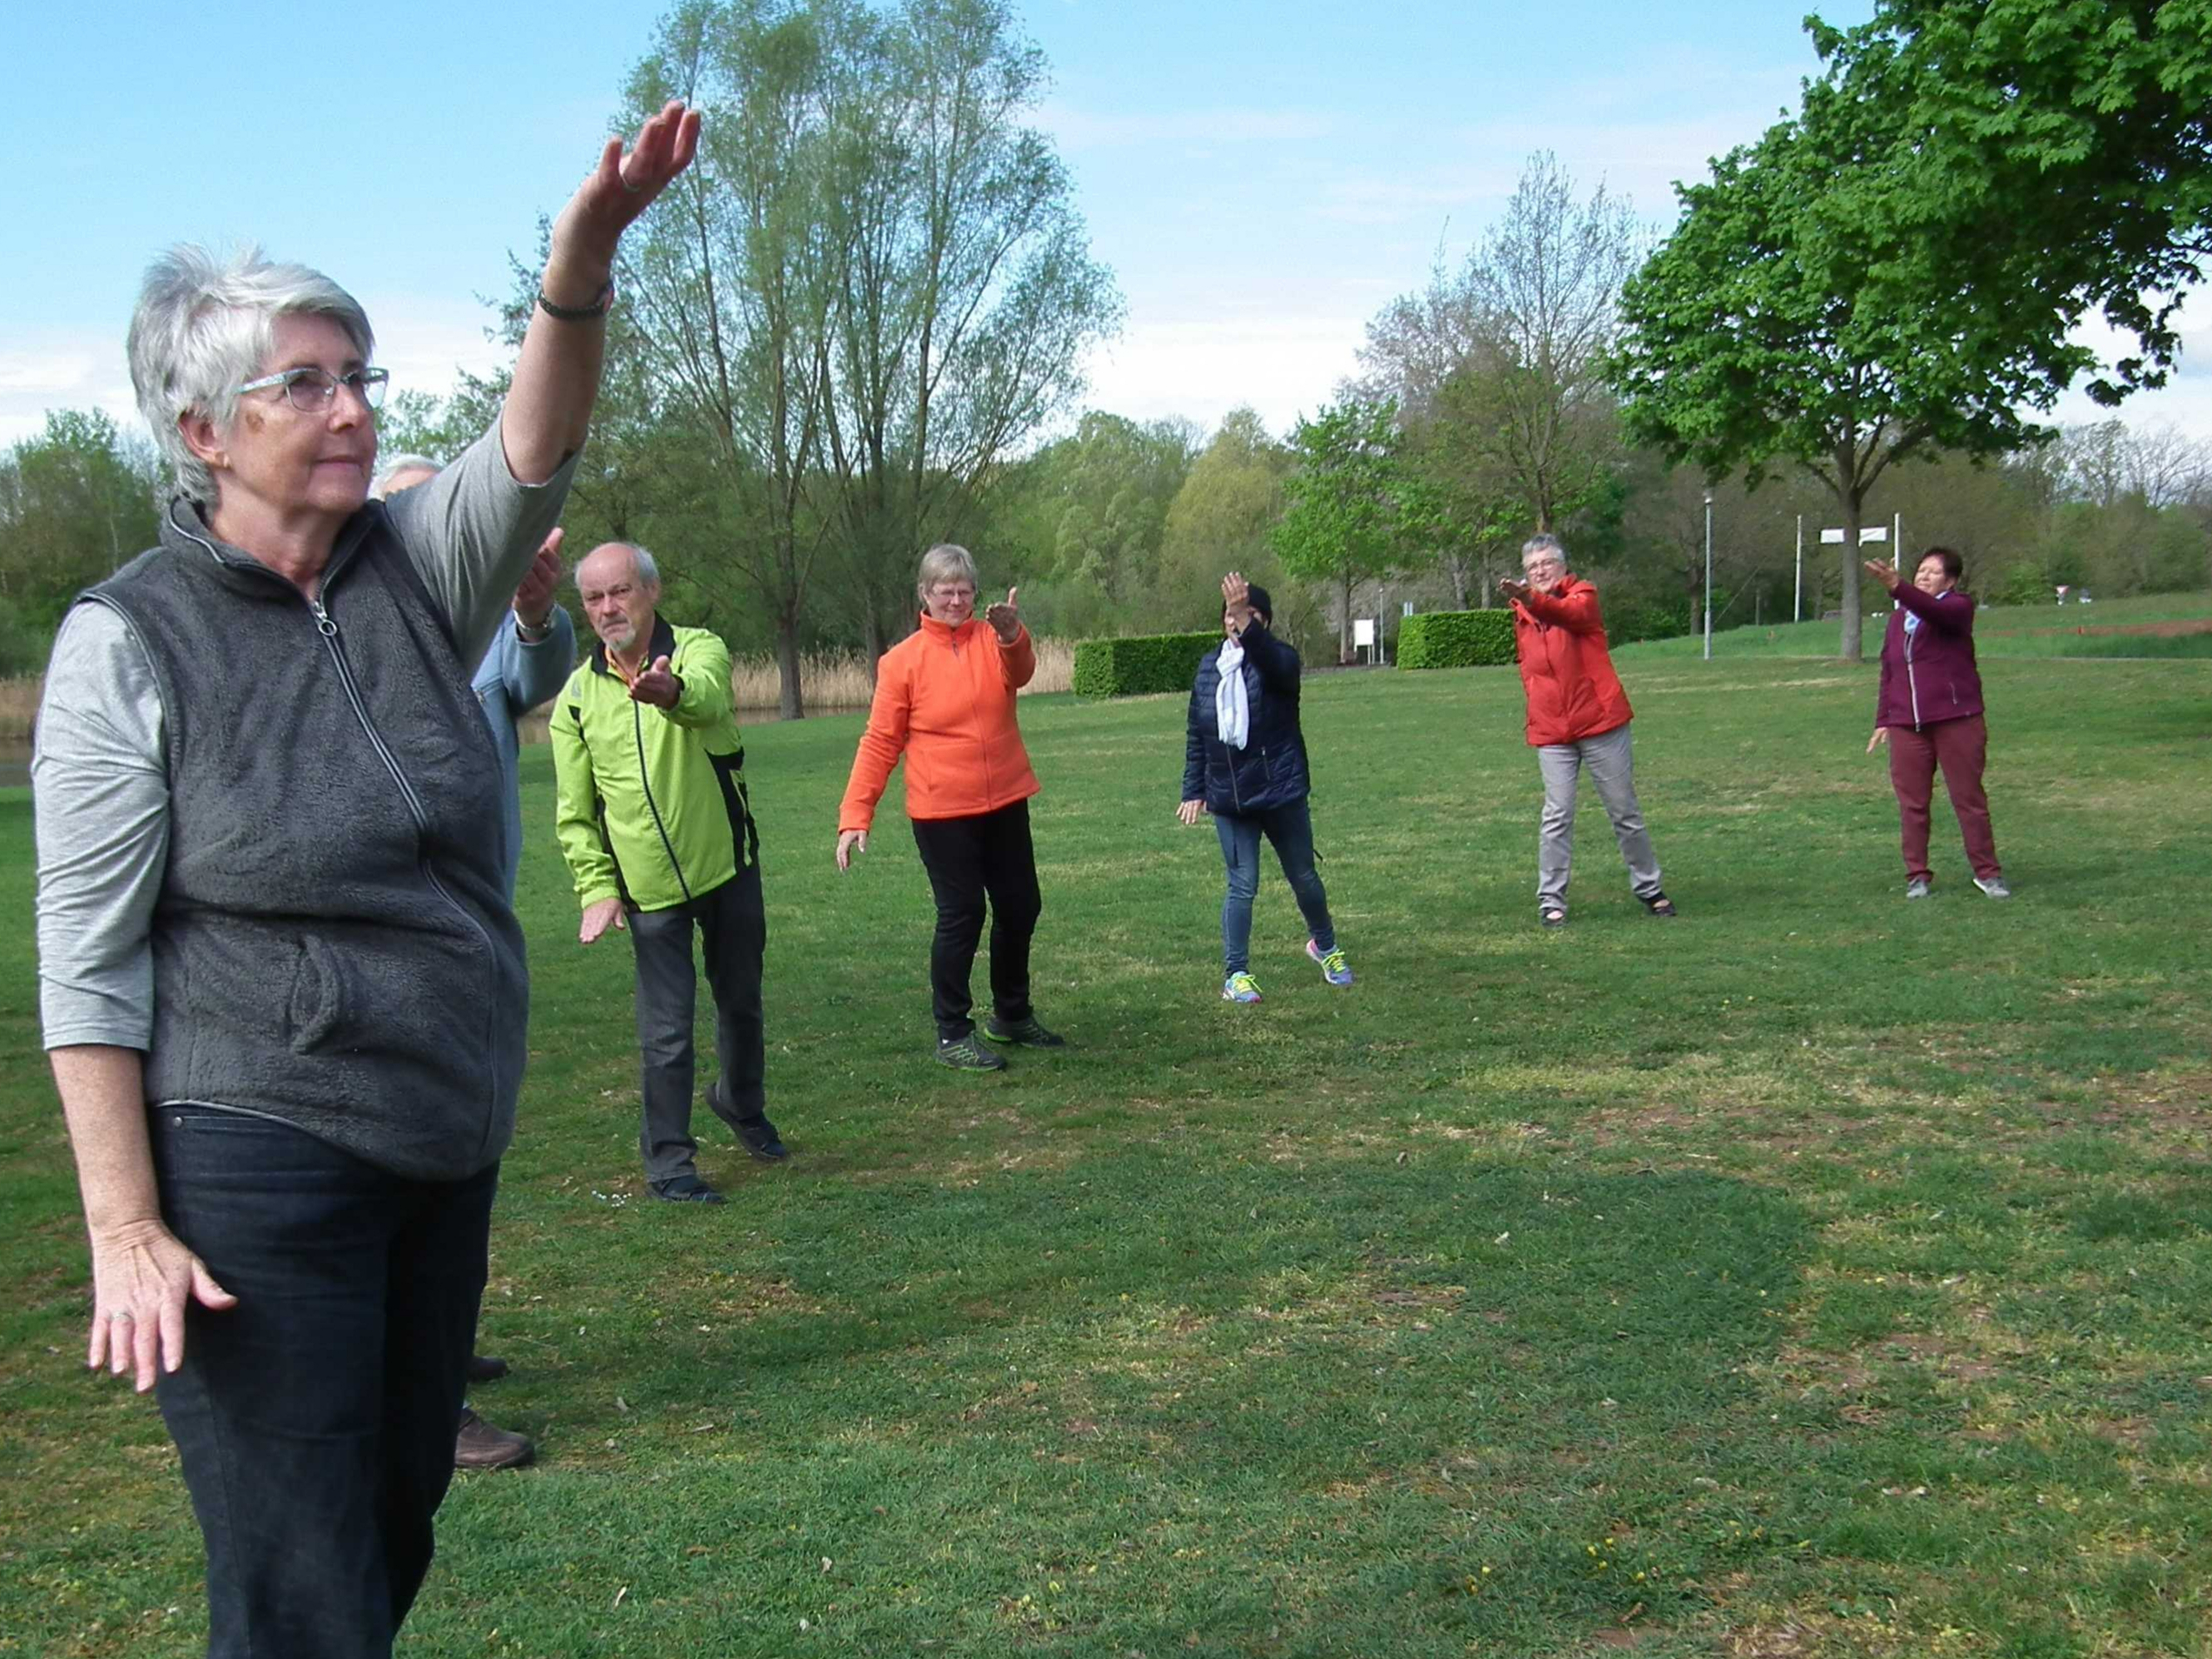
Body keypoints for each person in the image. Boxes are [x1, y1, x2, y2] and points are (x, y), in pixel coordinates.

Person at [31, 102, 698, 1659]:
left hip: (436, 1140)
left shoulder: (418, 564)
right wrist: (123, 1223)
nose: (348, 409)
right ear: (203, 433)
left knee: (387, 1525)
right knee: (305, 1577)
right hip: (252, 1147)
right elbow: (89, 959)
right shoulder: (128, 641)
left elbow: (536, 440)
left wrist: (582, 251)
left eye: (359, 378)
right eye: (305, 384)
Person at [373, 456, 574, 1469]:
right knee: (416, 1154)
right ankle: (430, 1400)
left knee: (466, 1148)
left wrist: (536, 613)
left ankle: (440, 1342)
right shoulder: (360, 629)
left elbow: (539, 683)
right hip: (392, 938)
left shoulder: (483, 618)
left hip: (474, 923)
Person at [549, 540, 786, 1204]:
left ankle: (740, 1103)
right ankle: (670, 1164)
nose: (606, 608)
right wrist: (597, 887)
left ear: (650, 591)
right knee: (665, 1032)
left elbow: (708, 701)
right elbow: (575, 814)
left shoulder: (698, 648)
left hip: (727, 867)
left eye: (618, 591)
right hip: (649, 891)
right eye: (593, 597)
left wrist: (670, 692)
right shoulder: (575, 699)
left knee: (740, 1003)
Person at [836, 544, 1063, 1070]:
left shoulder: (992, 639)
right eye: (946, 591)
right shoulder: (902, 662)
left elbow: (1022, 672)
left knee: (1020, 905)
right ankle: (952, 1032)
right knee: (962, 914)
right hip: (942, 812)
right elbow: (879, 742)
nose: (956, 600)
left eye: (964, 591)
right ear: (925, 594)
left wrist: (1012, 634)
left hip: (1004, 797)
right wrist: (856, 814)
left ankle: (1011, 1015)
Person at [1178, 572, 1353, 1003]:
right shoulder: (1208, 669)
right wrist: (1193, 789)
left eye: (1248, 615)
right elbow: (1198, 733)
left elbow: (1277, 665)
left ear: (1265, 622)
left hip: (1281, 791)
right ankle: (1236, 975)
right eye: (1231, 615)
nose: (1236, 622)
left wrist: (1248, 625)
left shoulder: (1279, 662)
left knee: (1304, 878)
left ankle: (1325, 947)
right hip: (1232, 799)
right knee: (1242, 885)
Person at [1500, 532, 1676, 928]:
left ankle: (1650, 889)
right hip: (1552, 731)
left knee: (1624, 811)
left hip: (1600, 723)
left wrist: (1532, 599)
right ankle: (1551, 900)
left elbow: (1569, 616)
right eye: (1532, 567)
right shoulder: (1522, 614)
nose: (1540, 571)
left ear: (1562, 566)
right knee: (1556, 814)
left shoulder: (1582, 596)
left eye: (1546, 564)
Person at [1865, 547, 2008, 899]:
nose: (1924, 576)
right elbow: (1890, 672)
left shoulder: (1957, 608)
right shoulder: (1899, 620)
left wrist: (1897, 586)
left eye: (1933, 572)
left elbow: (1934, 611)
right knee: (1913, 804)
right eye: (1920, 570)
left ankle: (1987, 874)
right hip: (1906, 726)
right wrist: (1884, 719)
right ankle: (1917, 876)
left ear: (1951, 580)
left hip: (1956, 720)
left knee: (1968, 799)